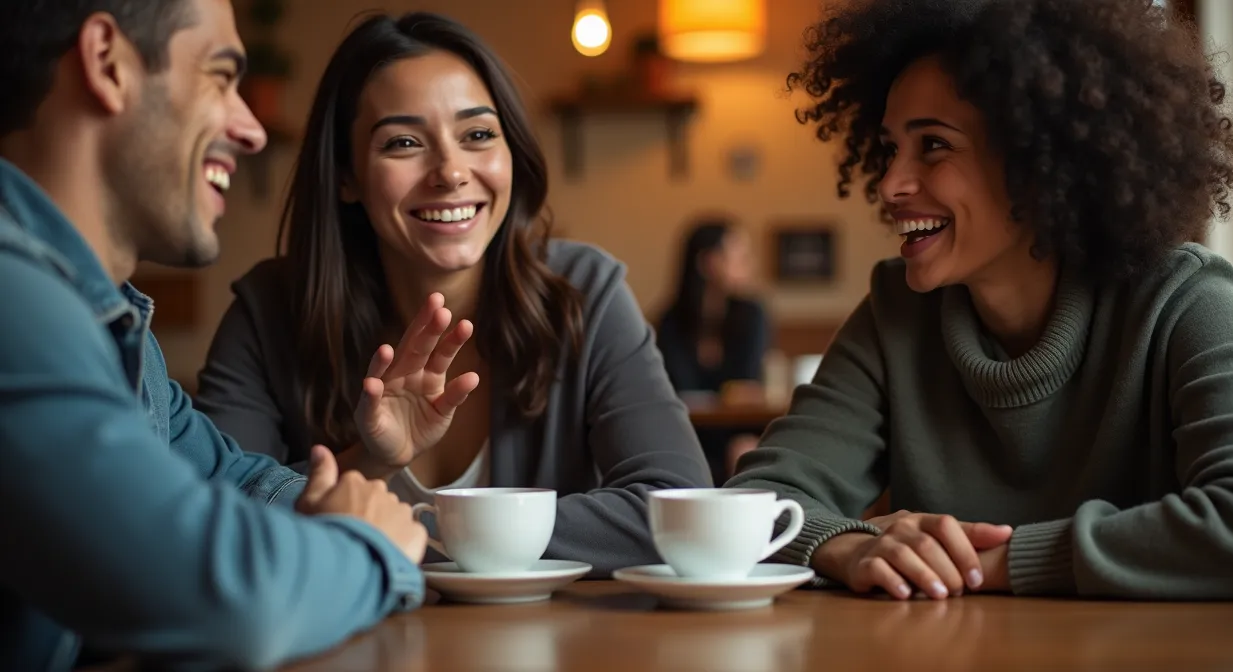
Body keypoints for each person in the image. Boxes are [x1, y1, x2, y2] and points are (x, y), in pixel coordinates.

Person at [726, 0, 1233, 600]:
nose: (891, 184)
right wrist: (849, 546)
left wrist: (996, 563)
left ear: (1041, 162)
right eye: (890, 148)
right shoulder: (895, 313)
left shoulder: (1183, 299)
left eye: (933, 145)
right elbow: (749, 506)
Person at [0, 1, 478, 669]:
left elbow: (235, 484)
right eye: (221, 77)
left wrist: (358, 481)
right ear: (107, 64)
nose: (253, 130)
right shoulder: (15, 305)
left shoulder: (112, 326)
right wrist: (366, 546)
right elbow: (231, 604)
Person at [193, 12, 713, 576]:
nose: (450, 171)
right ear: (346, 175)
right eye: (404, 142)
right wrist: (369, 459)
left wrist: (429, 532)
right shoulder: (269, 309)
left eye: (478, 135)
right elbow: (206, 521)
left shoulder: (585, 292)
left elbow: (680, 508)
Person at [655, 217, 770, 482]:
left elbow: (747, 381)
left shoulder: (752, 314)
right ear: (707, 262)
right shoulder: (671, 321)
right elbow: (675, 386)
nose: (748, 264)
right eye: (738, 255)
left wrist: (730, 394)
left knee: (743, 450)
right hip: (688, 430)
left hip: (739, 430)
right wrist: (728, 393)